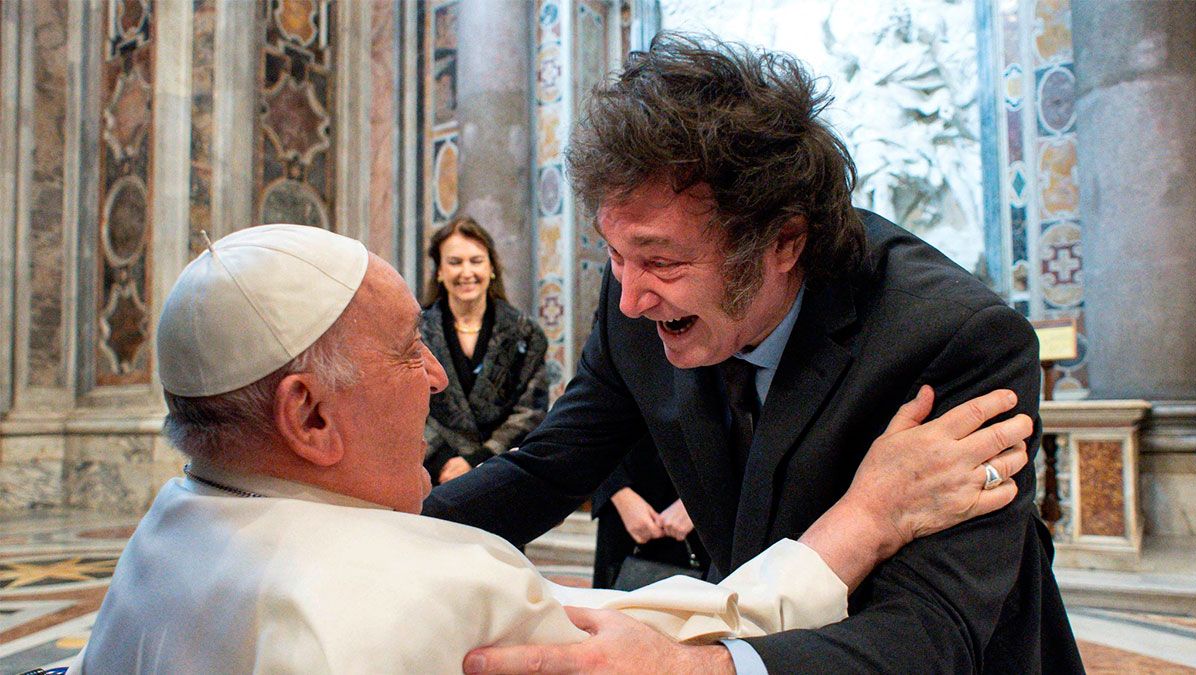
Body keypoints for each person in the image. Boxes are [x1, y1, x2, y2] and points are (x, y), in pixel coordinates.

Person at [67, 224, 1028, 674]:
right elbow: (664, 644)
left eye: (659, 259)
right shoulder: (421, 590)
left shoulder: (167, 533)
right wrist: (865, 517)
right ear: (309, 417)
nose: (433, 377)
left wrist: (421, 537)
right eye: (405, 349)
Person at [423, 33, 1084, 674]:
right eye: (615, 255)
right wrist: (391, 535)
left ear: (784, 242)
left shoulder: (954, 339)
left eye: (661, 262)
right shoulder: (638, 293)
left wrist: (695, 669)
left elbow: (932, 630)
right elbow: (547, 470)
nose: (629, 299)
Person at [420, 216, 549, 485]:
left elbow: (531, 412)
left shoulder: (525, 334)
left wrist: (478, 459)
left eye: (476, 261)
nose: (466, 272)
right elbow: (403, 405)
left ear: (491, 267)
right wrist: (444, 461)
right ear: (440, 271)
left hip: (503, 474)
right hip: (432, 475)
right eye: (455, 262)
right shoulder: (414, 334)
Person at [592, 436, 710, 590]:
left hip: (709, 508)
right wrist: (618, 492)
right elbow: (589, 434)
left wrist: (699, 498)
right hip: (625, 503)